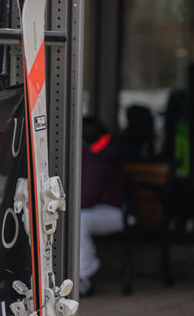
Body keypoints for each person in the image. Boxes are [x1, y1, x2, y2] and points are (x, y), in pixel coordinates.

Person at [79, 116, 128, 296]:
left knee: (78, 219)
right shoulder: (94, 151)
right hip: (100, 208)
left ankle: (84, 277)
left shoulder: (102, 155)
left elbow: (88, 196)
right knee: (75, 217)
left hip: (121, 212)